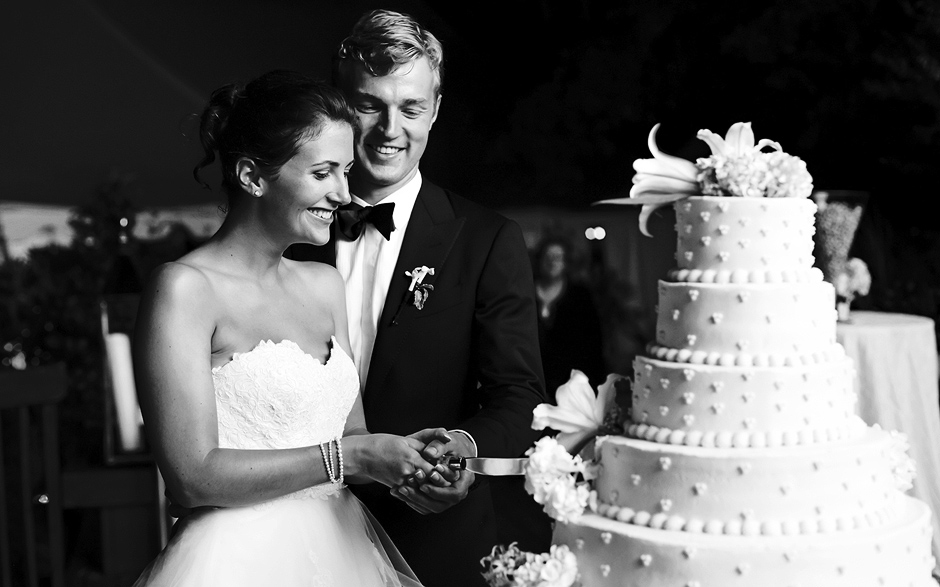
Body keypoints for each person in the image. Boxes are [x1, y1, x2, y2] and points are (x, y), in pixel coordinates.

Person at [131, 69, 445, 586]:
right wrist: (352, 455)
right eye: (323, 173)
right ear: (253, 175)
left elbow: (353, 435)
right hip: (235, 561)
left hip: (343, 550)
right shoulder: (184, 289)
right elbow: (192, 478)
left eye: (346, 171)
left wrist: (405, 460)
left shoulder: (324, 284)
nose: (344, 194)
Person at [286, 9, 547, 586]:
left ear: (435, 109)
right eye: (369, 104)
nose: (389, 129)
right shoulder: (285, 237)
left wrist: (461, 449)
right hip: (294, 537)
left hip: (430, 545)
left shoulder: (487, 240)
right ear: (337, 104)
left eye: (411, 108)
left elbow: (520, 398)